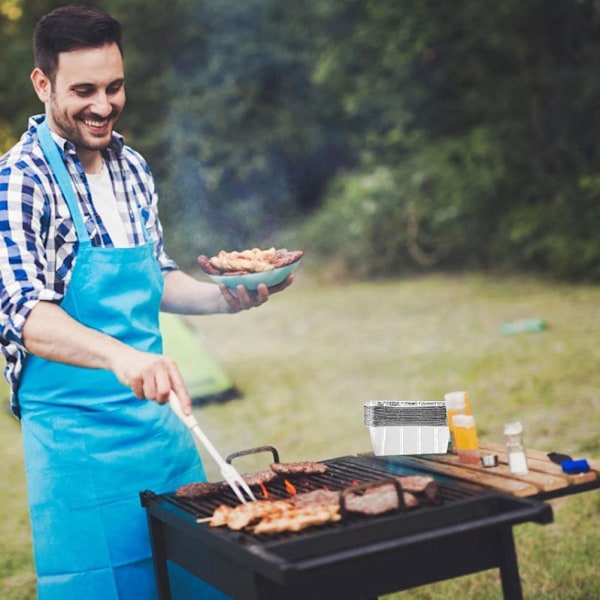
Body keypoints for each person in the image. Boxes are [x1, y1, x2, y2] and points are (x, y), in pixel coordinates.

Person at [0, 5, 293, 599]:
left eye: (114, 86)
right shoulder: (19, 179)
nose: (103, 106)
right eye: (83, 90)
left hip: (162, 431)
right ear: (43, 83)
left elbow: (155, 279)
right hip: (77, 444)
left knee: (197, 580)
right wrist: (124, 359)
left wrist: (230, 298)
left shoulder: (131, 168)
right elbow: (26, 314)